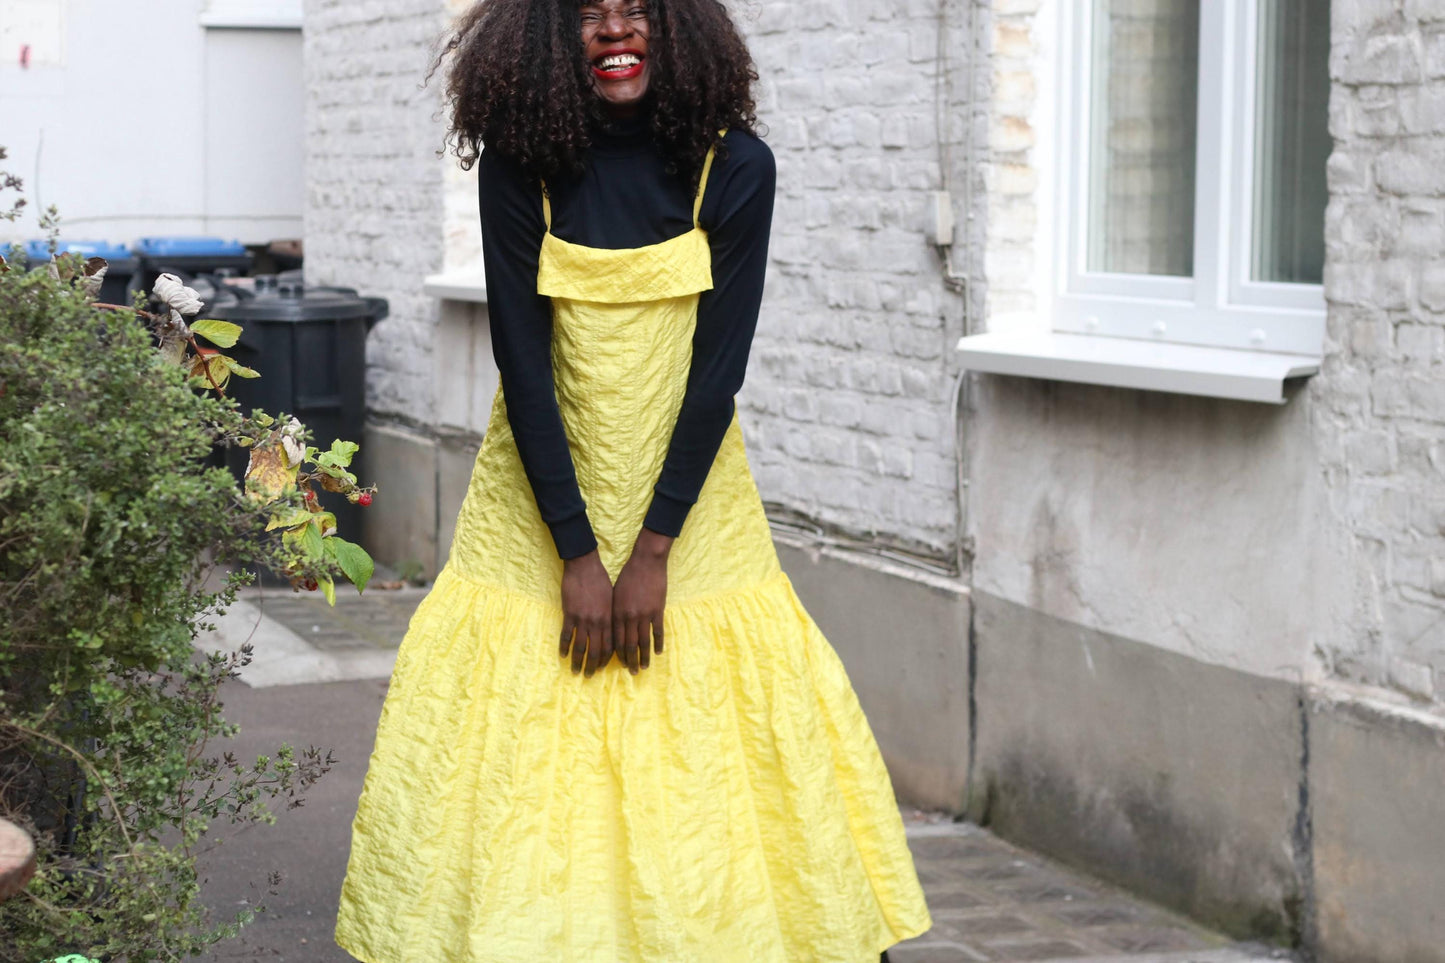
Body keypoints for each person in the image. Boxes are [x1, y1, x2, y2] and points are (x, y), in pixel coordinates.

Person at [333, 0, 932, 960]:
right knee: (526, 756)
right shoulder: (520, 170)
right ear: (545, 38)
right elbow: (524, 370)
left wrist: (653, 548)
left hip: (692, 508)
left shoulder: (734, 168)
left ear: (678, 27)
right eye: (589, 15)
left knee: (706, 747)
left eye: (637, 9)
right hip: (535, 503)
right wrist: (576, 549)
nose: (616, 31)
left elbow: (716, 377)